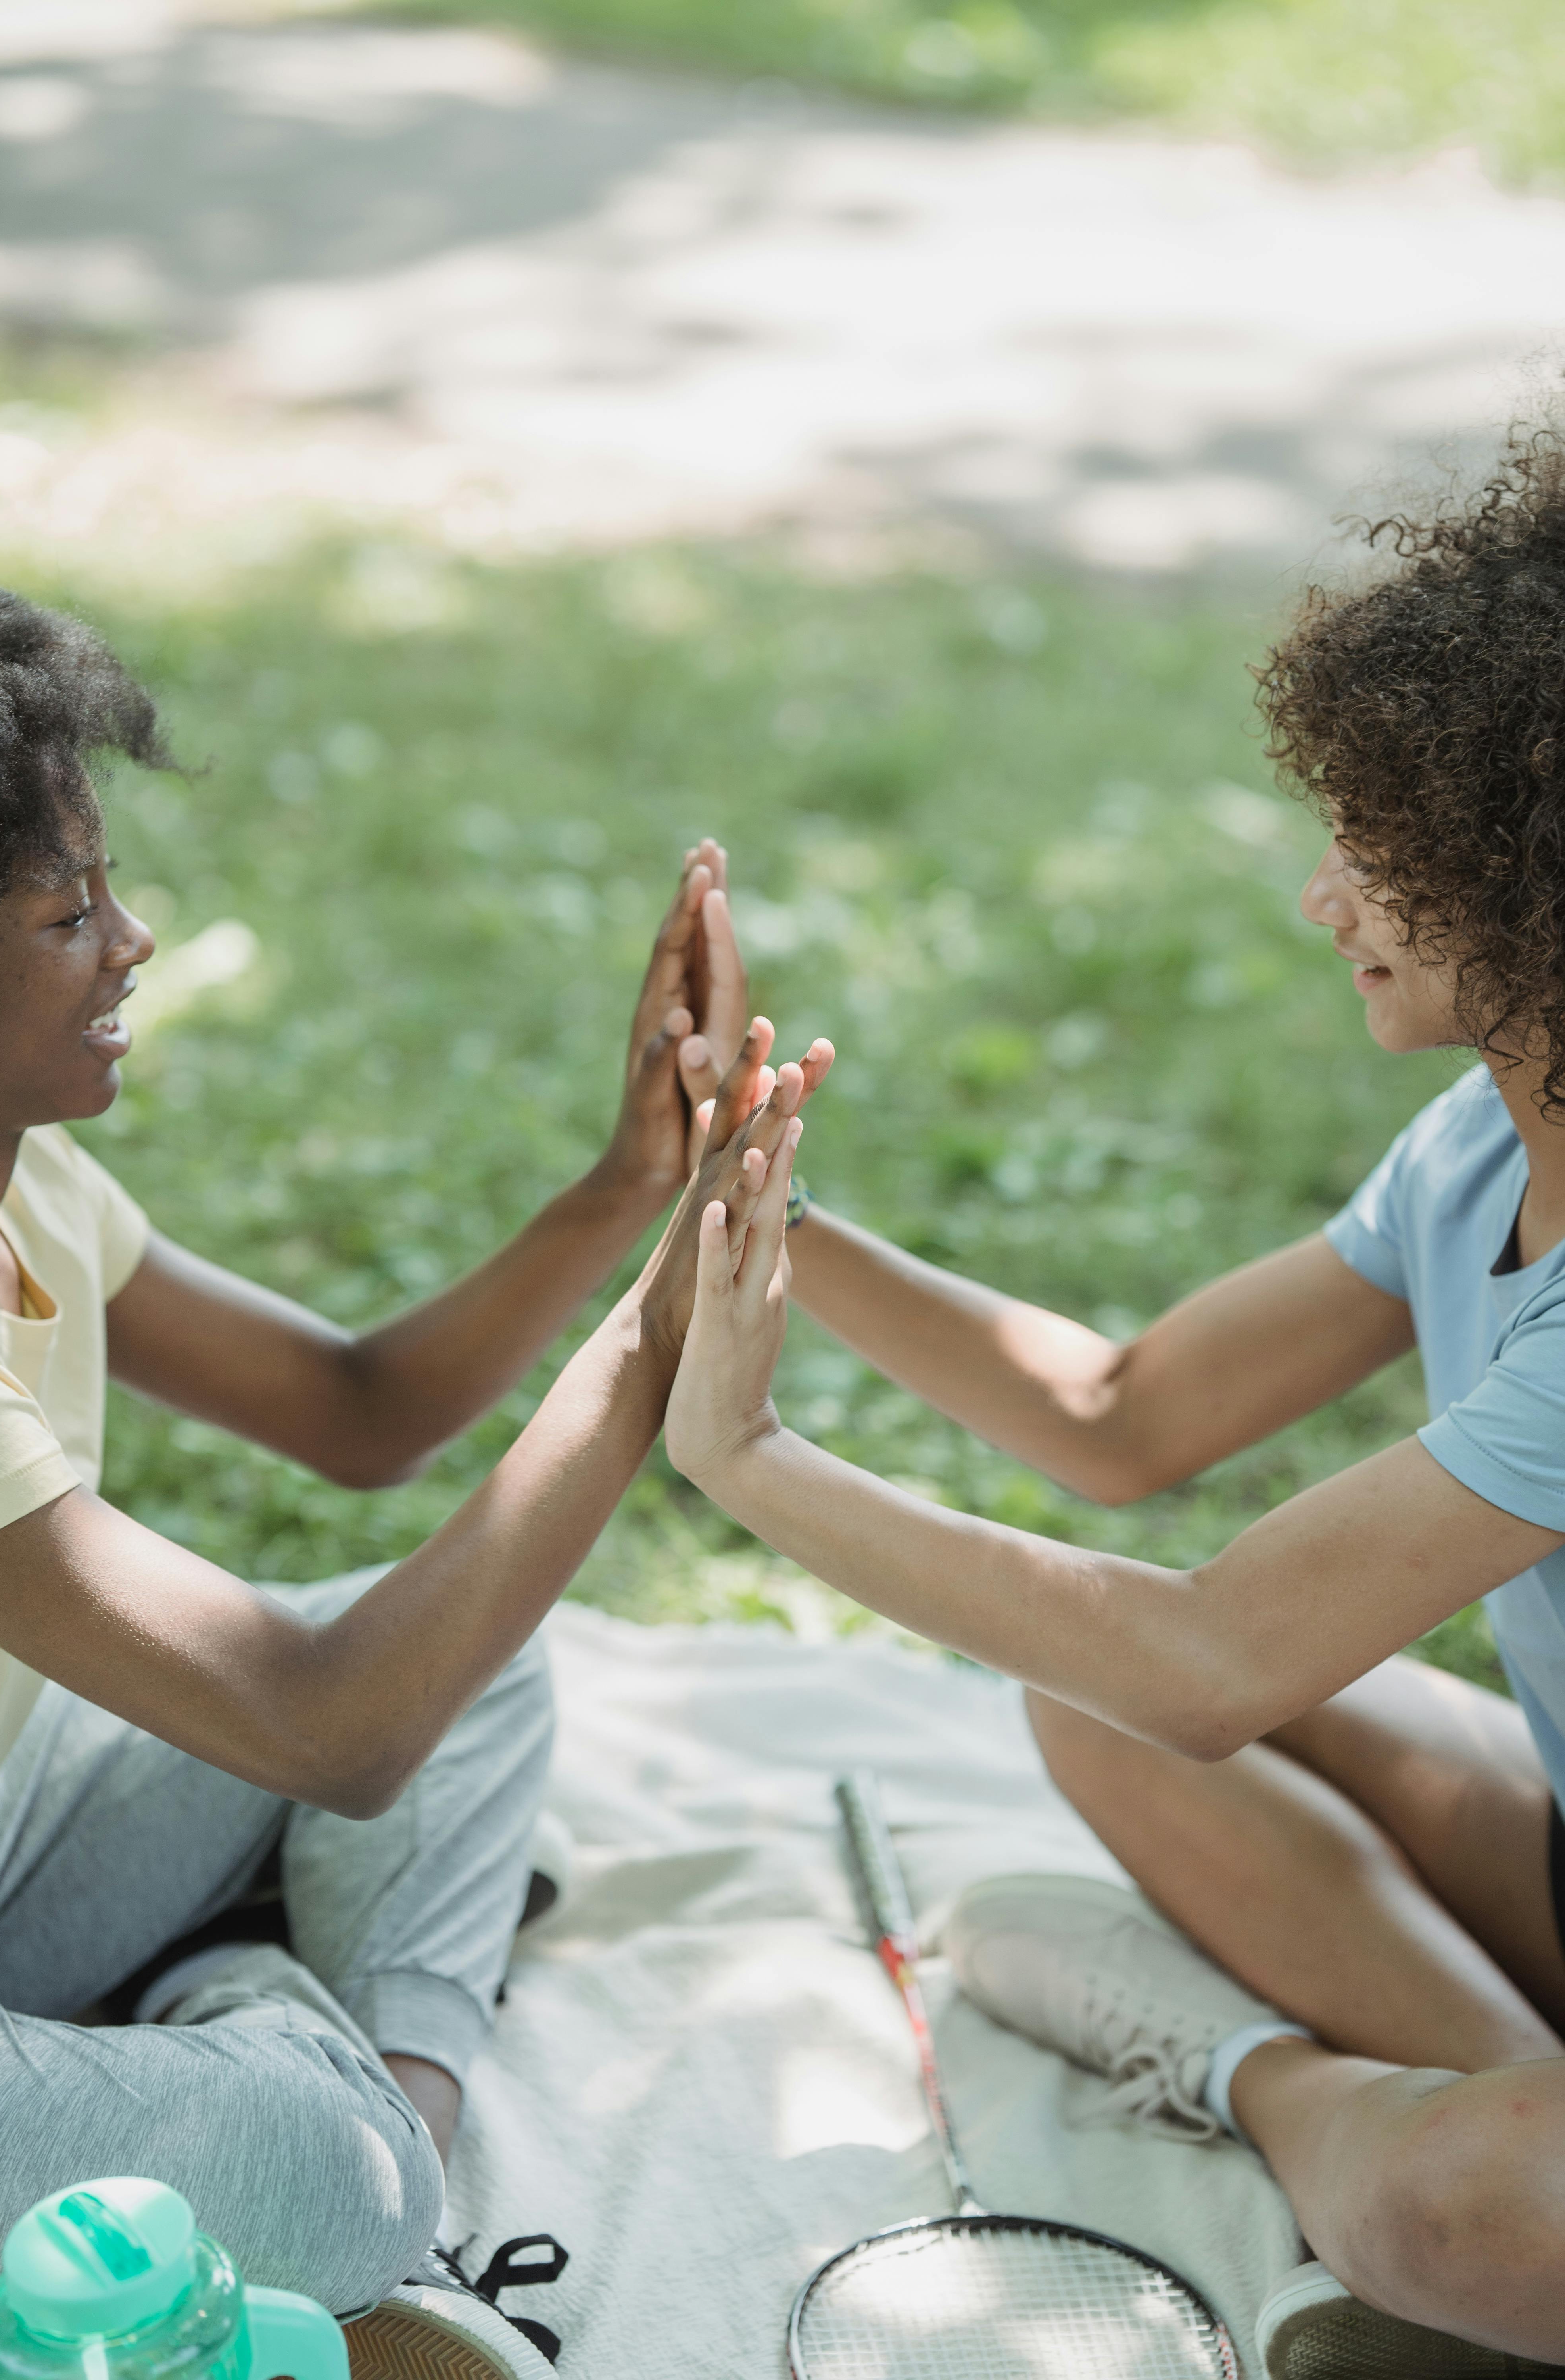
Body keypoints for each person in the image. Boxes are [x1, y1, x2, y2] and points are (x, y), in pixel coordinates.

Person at [663, 428, 1565, 2377]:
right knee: (1083, 1700)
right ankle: (1512, 2106)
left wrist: (747, 1455)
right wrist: (759, 1190)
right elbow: (1119, 1413)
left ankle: (1298, 2101)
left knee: (1461, 2207)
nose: (1323, 898)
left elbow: (1213, 1658)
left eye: (1378, 848)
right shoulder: (1480, 1146)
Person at [0, 586, 831, 2380]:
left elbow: (358, 1413)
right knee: (328, 2171)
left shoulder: (25, 1182)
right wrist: (660, 1326)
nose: (134, 941)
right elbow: (330, 1732)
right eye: (69, 914)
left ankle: (367, 2148)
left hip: (5, 1837)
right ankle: (301, 2084)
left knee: (477, 1673)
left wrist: (629, 1186)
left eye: (109, 887)